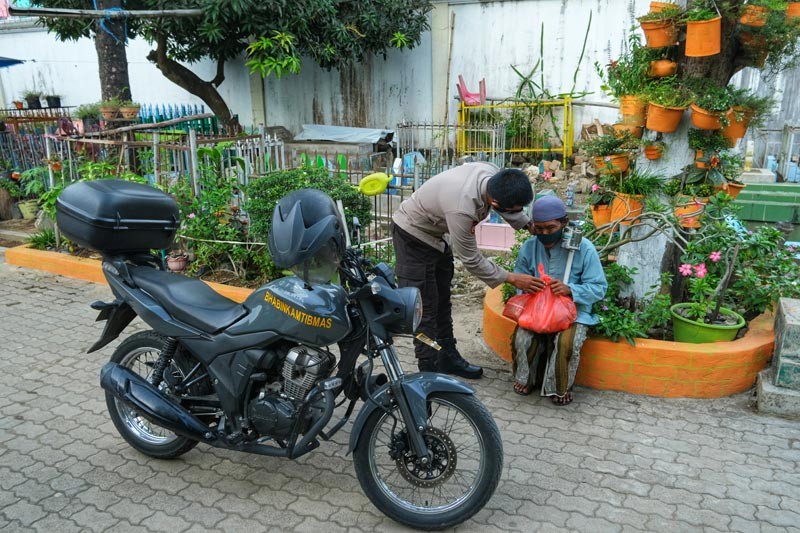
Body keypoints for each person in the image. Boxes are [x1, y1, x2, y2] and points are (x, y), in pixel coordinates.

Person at [392, 161, 542, 379]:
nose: (516, 214)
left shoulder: (492, 176)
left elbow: (507, 207)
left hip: (436, 236)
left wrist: (528, 224)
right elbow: (471, 259)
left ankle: (447, 357)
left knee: (442, 302)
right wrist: (512, 278)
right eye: (513, 211)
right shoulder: (462, 208)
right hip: (412, 236)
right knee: (424, 310)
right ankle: (428, 371)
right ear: (494, 202)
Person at [510, 195, 607, 405]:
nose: (544, 233)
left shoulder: (584, 247)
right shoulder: (530, 246)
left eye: (550, 228)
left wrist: (570, 290)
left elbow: (599, 288)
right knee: (522, 338)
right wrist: (527, 288)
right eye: (540, 228)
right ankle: (526, 379)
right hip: (537, 310)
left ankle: (560, 387)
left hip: (574, 312)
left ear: (564, 222)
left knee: (567, 343)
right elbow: (519, 279)